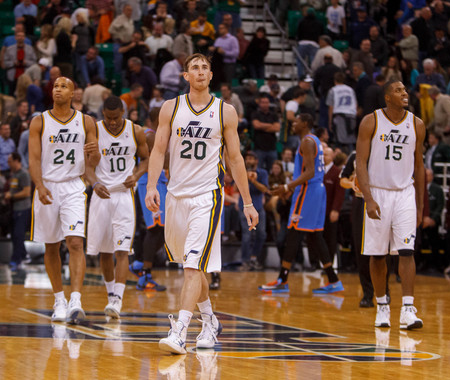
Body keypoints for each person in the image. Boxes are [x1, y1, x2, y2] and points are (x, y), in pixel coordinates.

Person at [145, 53, 259, 354]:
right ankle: (209, 320)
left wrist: (247, 202)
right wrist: (152, 185)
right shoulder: (171, 108)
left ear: (211, 77)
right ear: (185, 76)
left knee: (194, 267)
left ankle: (180, 330)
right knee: (191, 267)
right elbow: (158, 150)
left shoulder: (225, 111)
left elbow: (235, 159)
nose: (199, 71)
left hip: (207, 196)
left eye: (204, 67)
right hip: (175, 195)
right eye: (194, 67)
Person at [29, 77, 100, 324]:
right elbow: (34, 159)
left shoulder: (86, 121)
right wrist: (39, 184)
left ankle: (76, 299)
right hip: (47, 184)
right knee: (51, 245)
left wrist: (96, 154)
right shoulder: (39, 121)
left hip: (73, 186)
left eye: (63, 86)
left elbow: (94, 160)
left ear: (73, 93)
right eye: (56, 86)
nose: (58, 89)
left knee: (75, 242)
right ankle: (59, 299)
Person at [356, 79, 425, 330]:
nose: (404, 93)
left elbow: (419, 166)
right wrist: (369, 198)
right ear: (387, 97)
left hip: (405, 192)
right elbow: (360, 162)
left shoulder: (416, 124)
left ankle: (408, 309)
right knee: (378, 255)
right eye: (398, 90)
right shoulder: (371, 121)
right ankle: (382, 305)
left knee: (407, 251)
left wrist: (420, 205)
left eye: (405, 90)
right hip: (378, 192)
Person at [259, 114, 343, 294]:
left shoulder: (307, 141)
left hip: (309, 191)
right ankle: (333, 280)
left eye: (296, 121)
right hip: (315, 190)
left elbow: (310, 172)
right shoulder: (313, 141)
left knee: (294, 232)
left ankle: (283, 279)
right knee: (314, 236)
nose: (293, 123)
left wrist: (287, 186)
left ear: (305, 123)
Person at [85, 95, 149, 318]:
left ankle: (118, 299)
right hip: (101, 194)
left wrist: (138, 175)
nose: (112, 122)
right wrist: (94, 183)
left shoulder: (136, 131)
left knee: (122, 250)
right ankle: (110, 294)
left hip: (124, 195)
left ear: (123, 112)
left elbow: (147, 159)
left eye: (116, 117)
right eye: (108, 118)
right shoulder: (94, 130)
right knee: (104, 251)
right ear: (103, 114)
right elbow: (86, 166)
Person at [134, 107, 168, 291]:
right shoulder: (152, 136)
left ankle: (140, 265)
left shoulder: (154, 134)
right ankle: (145, 273)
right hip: (151, 183)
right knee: (155, 229)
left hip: (158, 184)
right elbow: (166, 161)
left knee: (162, 230)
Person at [5, 152, 31, 271]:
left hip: (23, 208)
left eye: (10, 161)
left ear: (17, 161)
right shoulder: (13, 174)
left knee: (18, 234)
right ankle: (23, 256)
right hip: (14, 209)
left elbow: (26, 192)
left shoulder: (24, 174)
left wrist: (11, 196)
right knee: (14, 235)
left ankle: (16, 260)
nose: (8, 164)